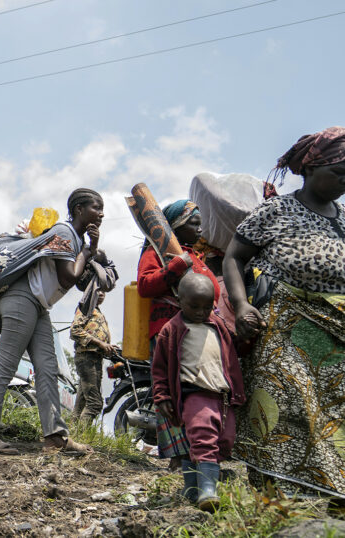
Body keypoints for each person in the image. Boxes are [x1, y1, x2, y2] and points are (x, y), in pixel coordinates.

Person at [224, 126, 345, 498]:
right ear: (310, 170)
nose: (344, 182)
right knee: (287, 405)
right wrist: (241, 305)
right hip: (284, 326)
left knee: (331, 416)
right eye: (337, 173)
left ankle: (327, 496)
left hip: (335, 333)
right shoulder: (277, 210)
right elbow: (233, 257)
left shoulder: (343, 219)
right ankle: (277, 497)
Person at [0, 189, 103, 454]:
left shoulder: (74, 238)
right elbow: (68, 277)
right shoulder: (65, 232)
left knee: (47, 368)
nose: (100, 214)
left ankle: (55, 437)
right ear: (78, 209)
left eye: (102, 210)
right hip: (23, 297)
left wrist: (90, 249)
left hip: (37, 304)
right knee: (7, 363)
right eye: (95, 208)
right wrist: (89, 253)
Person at [136, 200, 220, 470]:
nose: (200, 229)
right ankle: (178, 457)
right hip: (168, 332)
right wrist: (175, 267)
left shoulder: (195, 256)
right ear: (176, 227)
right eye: (194, 224)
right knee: (171, 391)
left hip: (199, 332)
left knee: (197, 391)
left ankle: (199, 452)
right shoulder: (158, 252)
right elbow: (145, 285)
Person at [151, 274, 244, 511]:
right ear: (180, 300)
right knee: (203, 438)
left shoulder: (219, 325)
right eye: (195, 306)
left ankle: (192, 489)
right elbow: (159, 369)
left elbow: (233, 354)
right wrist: (162, 397)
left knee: (225, 439)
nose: (202, 312)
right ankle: (207, 491)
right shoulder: (171, 330)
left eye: (207, 306)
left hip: (222, 396)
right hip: (195, 394)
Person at [69, 291, 114, 423]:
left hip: (95, 358)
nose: (101, 293)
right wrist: (100, 343)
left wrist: (107, 346)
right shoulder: (85, 307)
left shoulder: (97, 311)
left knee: (81, 403)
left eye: (104, 291)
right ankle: (83, 436)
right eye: (97, 290)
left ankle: (72, 434)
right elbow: (75, 331)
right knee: (95, 403)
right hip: (86, 357)